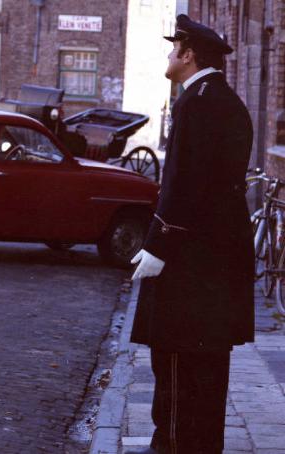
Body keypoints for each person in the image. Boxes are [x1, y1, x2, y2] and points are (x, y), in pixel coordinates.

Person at [128, 14, 254, 454]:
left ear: (188, 53)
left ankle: (174, 446)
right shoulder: (224, 99)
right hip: (215, 261)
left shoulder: (196, 102)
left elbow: (184, 183)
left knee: (177, 361)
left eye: (172, 48)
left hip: (191, 262)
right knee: (208, 368)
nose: (167, 55)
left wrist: (159, 244)